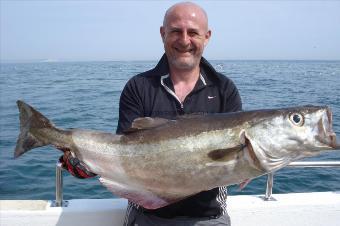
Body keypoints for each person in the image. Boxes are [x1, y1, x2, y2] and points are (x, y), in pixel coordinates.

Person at [60, 2, 242, 226]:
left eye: (193, 32)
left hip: (208, 217)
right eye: (176, 31)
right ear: (162, 33)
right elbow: (121, 154)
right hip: (146, 216)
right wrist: (83, 165)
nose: (184, 40)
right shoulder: (138, 87)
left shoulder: (225, 90)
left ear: (207, 36)